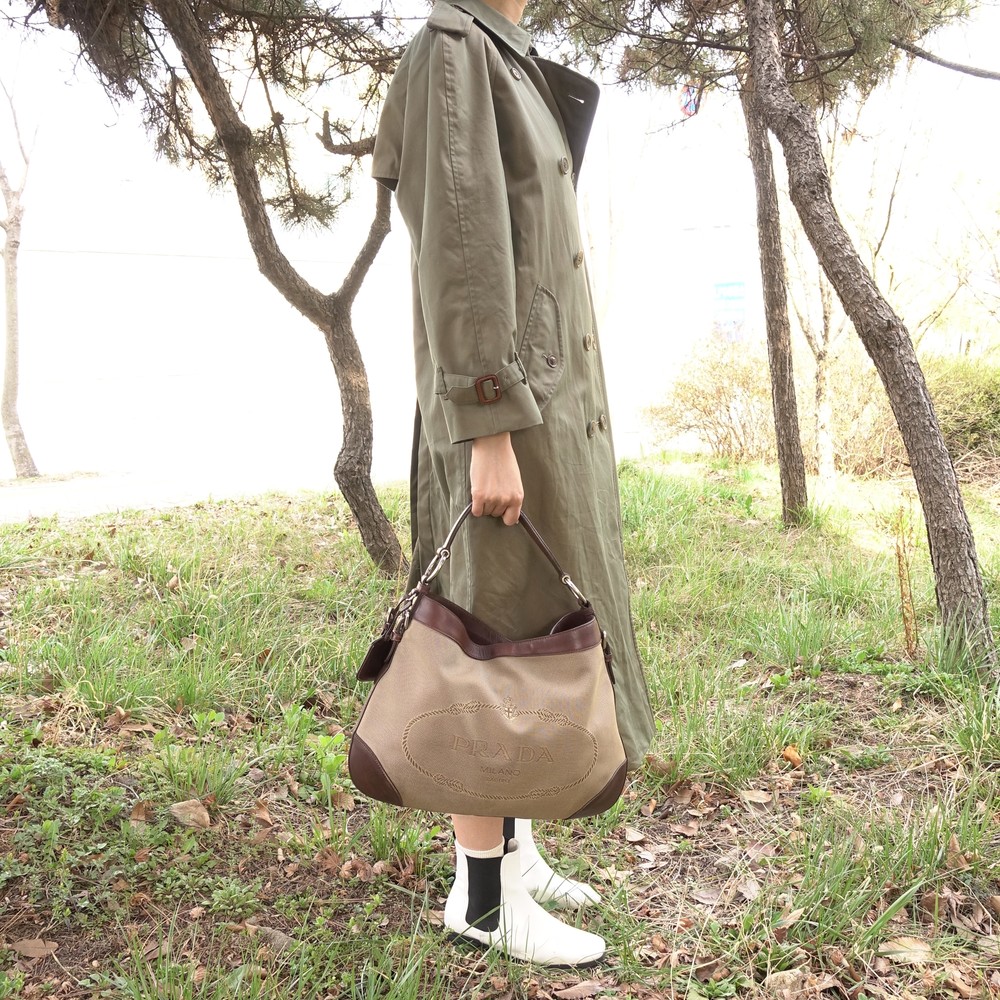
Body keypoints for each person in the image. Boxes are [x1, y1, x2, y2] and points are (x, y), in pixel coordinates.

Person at [371, 0, 655, 967]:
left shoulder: (505, 55)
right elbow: (462, 249)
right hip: (503, 416)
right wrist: (488, 423)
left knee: (530, 622)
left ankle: (517, 853)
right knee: (488, 635)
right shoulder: (455, 50)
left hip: (538, 405)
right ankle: (482, 897)